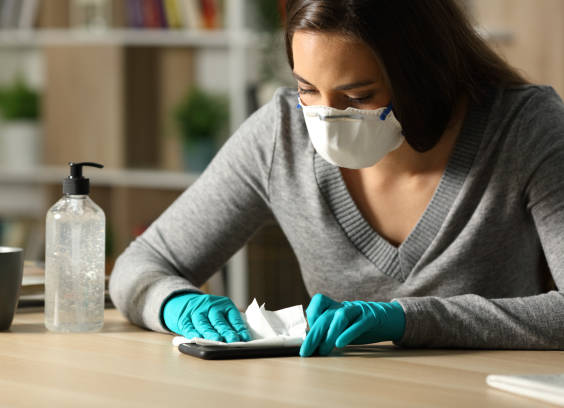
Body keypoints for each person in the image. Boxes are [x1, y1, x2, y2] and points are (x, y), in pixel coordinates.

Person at [109, 0, 564, 356]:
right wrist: (175, 304)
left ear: (424, 74)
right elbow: (139, 266)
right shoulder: (281, 135)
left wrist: (408, 320)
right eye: (308, 89)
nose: (326, 117)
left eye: (358, 95)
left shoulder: (524, 127)